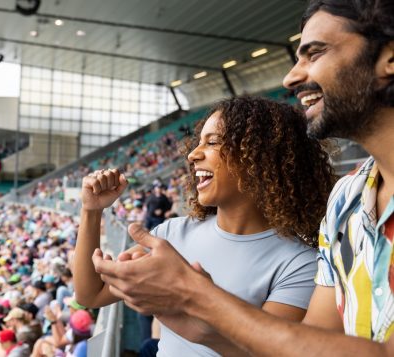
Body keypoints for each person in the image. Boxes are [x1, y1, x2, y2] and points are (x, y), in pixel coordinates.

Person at [92, 0, 394, 354]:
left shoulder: (298, 254)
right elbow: (306, 346)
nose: (291, 77)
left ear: (389, 57)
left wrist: (199, 297)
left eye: (315, 53)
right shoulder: (346, 199)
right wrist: (203, 325)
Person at [74, 96, 336, 355]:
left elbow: (266, 352)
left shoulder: (302, 264)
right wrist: (91, 210)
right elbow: (91, 296)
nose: (193, 155)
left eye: (212, 142)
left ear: (259, 156)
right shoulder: (170, 234)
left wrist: (196, 295)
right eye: (198, 143)